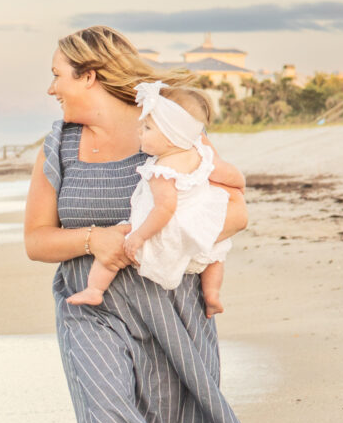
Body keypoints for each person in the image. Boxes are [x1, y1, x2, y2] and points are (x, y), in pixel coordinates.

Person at [24, 26, 298, 423]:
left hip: (171, 306)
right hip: (88, 304)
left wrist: (163, 239)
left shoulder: (170, 128)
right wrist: (97, 239)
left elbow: (236, 210)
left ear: (89, 75)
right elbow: (36, 242)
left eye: (57, 74)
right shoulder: (57, 148)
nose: (50, 87)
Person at [66, 81, 239, 318]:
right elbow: (234, 176)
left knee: (116, 245)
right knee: (215, 255)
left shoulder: (163, 170)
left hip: (164, 232)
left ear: (170, 136)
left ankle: (95, 289)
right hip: (199, 227)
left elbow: (164, 209)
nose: (139, 131)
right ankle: (212, 295)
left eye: (147, 128)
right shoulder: (201, 153)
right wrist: (237, 189)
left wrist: (139, 236)